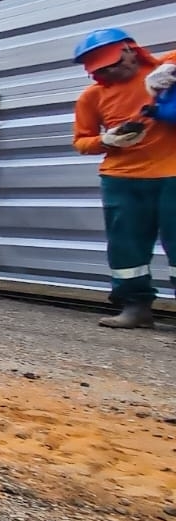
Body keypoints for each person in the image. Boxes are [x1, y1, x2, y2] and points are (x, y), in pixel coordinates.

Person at [71, 27, 176, 328]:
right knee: (126, 245)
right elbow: (81, 141)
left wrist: (168, 65)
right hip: (123, 179)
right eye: (101, 68)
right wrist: (108, 141)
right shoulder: (92, 97)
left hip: (173, 174)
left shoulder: (164, 75)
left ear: (131, 50)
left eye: (114, 63)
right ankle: (135, 307)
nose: (110, 72)